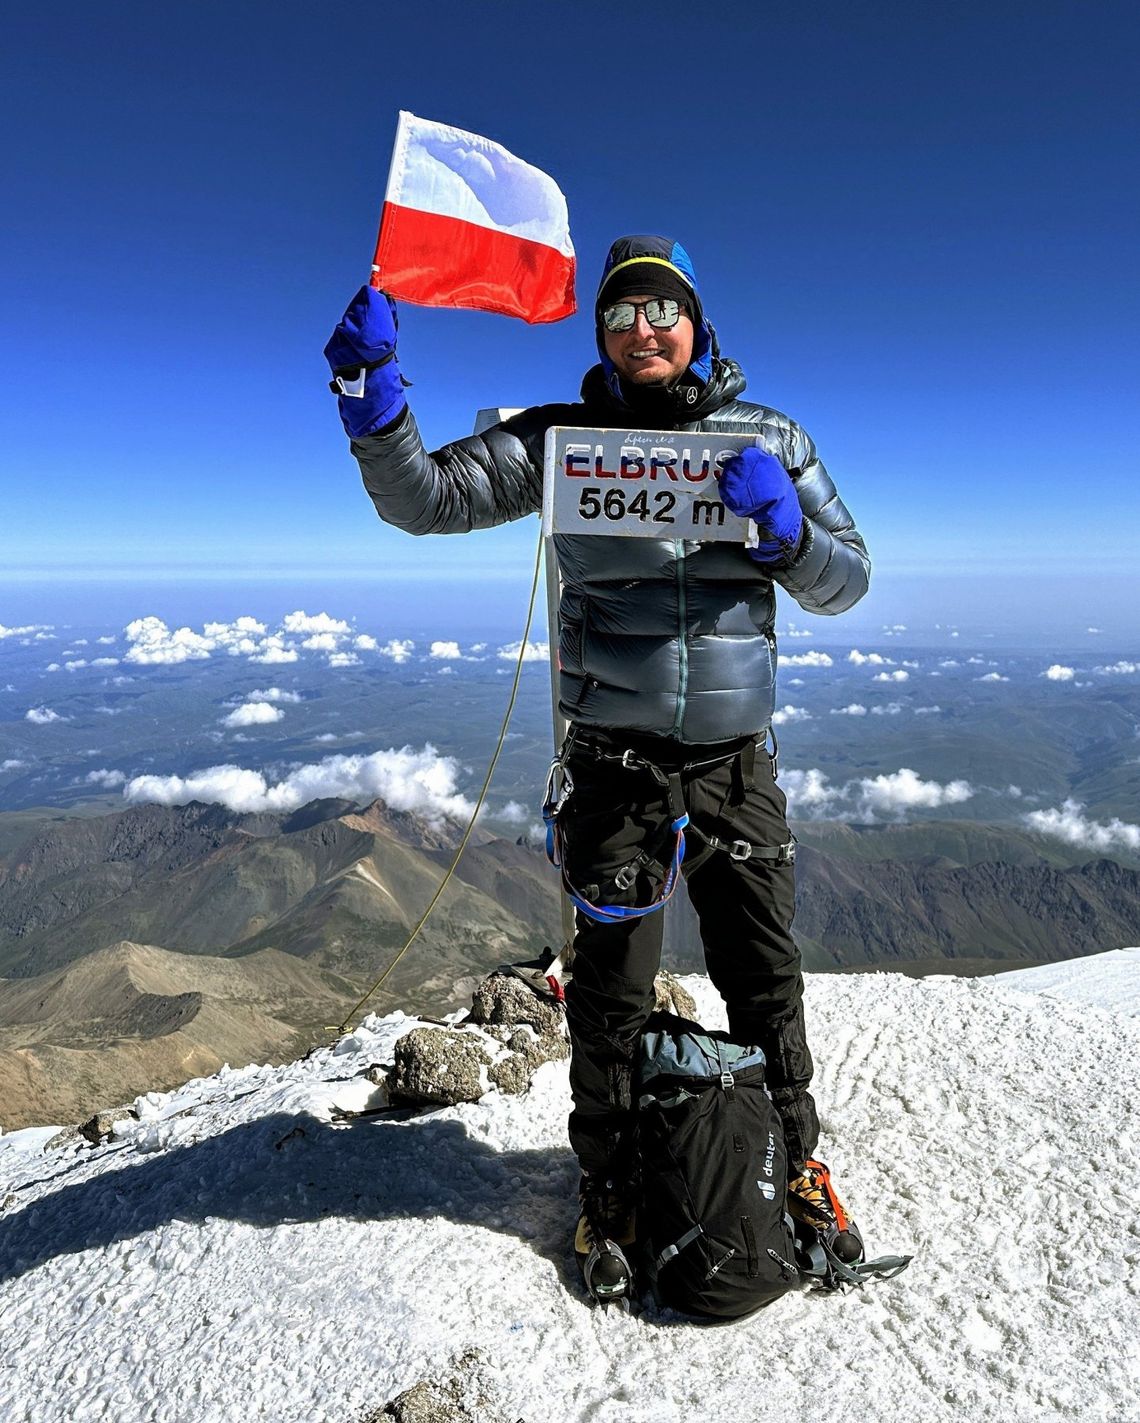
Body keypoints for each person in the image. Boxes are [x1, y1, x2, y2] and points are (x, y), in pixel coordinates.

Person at [325, 234, 871, 1280]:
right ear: (601, 334)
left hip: (735, 765)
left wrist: (791, 535)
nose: (642, 331)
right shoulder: (562, 443)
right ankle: (611, 1194)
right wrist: (373, 401)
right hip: (615, 767)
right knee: (612, 996)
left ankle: (795, 1163)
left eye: (663, 311)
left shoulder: (770, 438)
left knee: (764, 979)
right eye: (620, 315)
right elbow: (426, 499)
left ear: (697, 324)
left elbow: (848, 580)